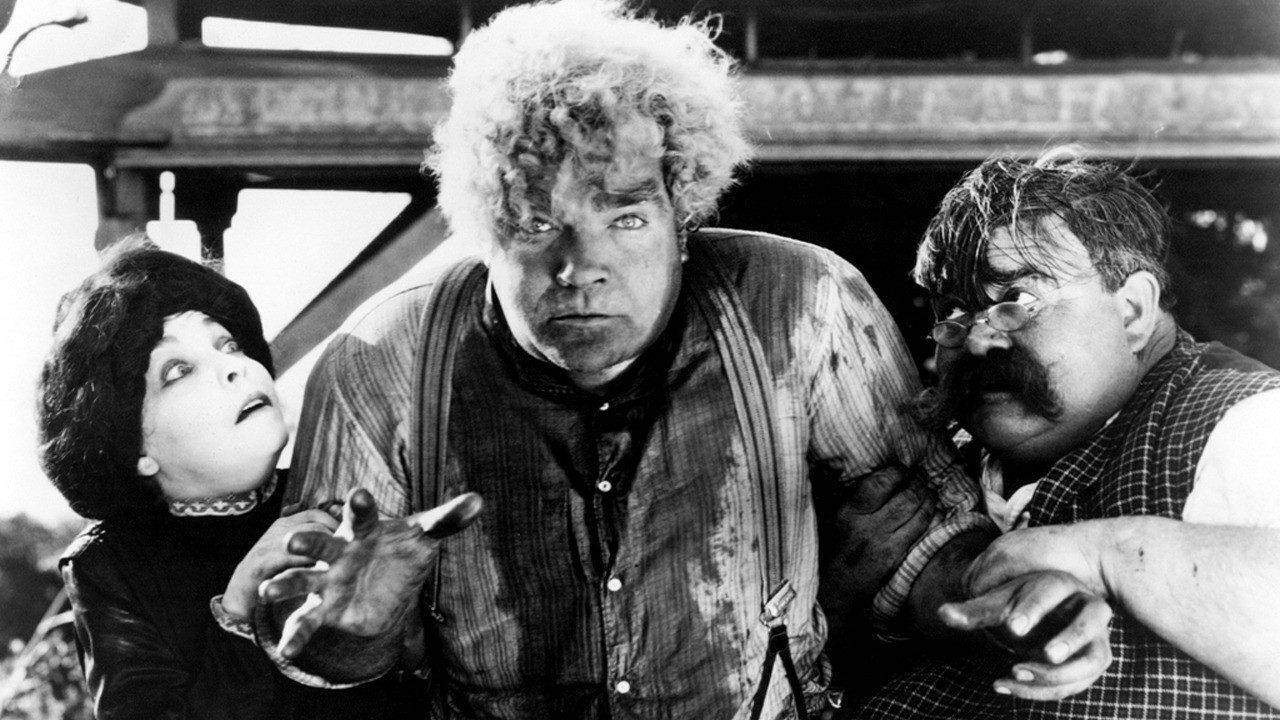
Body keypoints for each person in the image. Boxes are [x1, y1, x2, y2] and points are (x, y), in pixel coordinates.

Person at [253, 3, 1114, 718]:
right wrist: (349, 634)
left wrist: (1005, 602)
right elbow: (321, 632)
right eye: (537, 222)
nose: (580, 266)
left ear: (684, 216)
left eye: (625, 217)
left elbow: (910, 538)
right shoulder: (381, 360)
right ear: (483, 226)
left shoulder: (802, 306)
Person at [855, 148, 1280, 718]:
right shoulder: (925, 463)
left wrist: (1103, 555)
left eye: (1019, 300)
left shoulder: (1245, 422)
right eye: (954, 313)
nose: (977, 340)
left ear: (1133, 310)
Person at [38, 242, 417, 719]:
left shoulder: (341, 493)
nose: (235, 366)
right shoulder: (110, 565)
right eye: (178, 371)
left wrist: (406, 631)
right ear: (134, 448)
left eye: (229, 345)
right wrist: (239, 607)